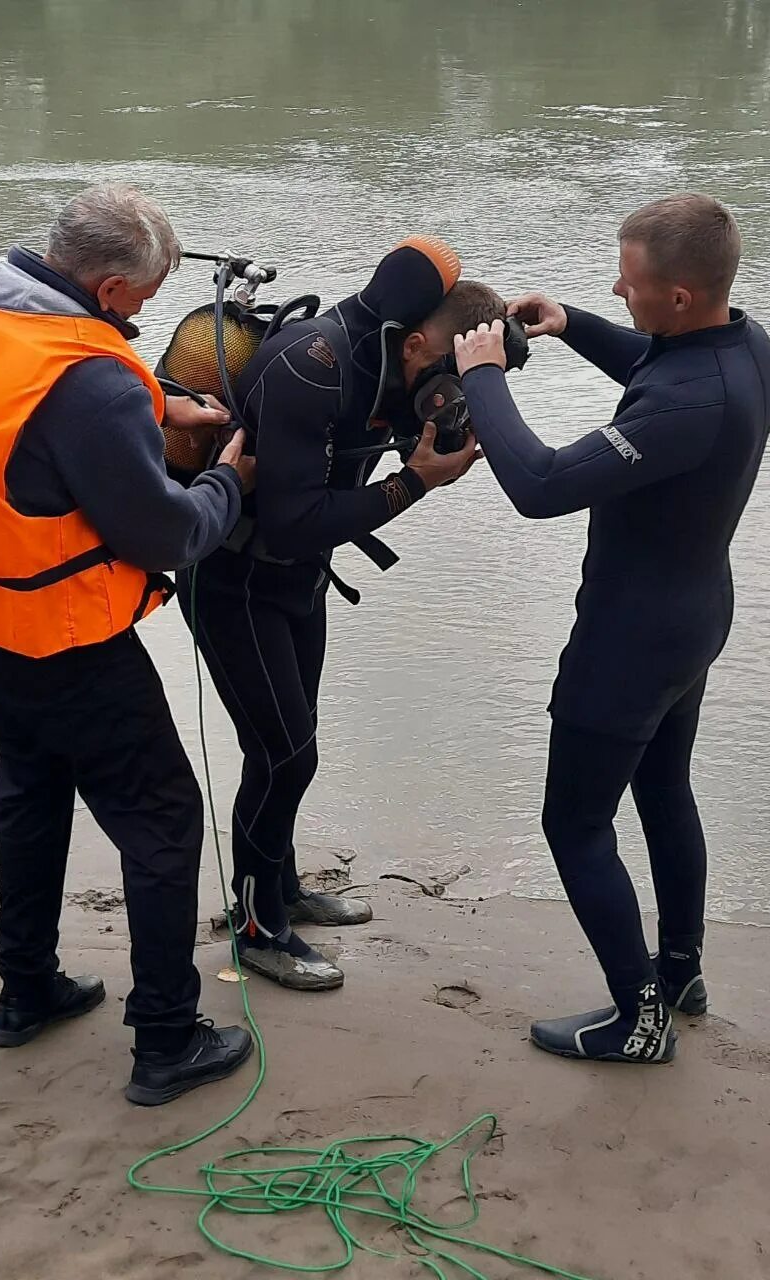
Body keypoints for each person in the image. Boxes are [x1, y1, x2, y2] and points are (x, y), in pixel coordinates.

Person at [0, 183, 258, 1106]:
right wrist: (230, 484)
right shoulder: (85, 377)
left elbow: (8, 416)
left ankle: (26, 991)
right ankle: (167, 1038)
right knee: (163, 817)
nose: (146, 312)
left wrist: (154, 409)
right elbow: (164, 534)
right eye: (147, 297)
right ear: (112, 288)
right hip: (60, 637)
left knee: (33, 780)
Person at [453, 194, 770, 1064]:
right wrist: (574, 324)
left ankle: (638, 1020)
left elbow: (542, 485)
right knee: (664, 788)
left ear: (678, 295)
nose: (616, 288)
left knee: (575, 825)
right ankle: (678, 973)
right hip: (694, 616)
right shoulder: (742, 344)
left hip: (628, 644)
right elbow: (658, 371)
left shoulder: (684, 402)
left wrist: (481, 375)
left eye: (628, 283)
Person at [176, 239, 505, 990]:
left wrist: (484, 366)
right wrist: (415, 482)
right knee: (285, 755)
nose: (441, 398)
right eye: (442, 380)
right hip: (233, 576)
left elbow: (315, 520)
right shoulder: (311, 366)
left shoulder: (396, 357)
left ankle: (281, 886)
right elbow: (293, 521)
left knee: (296, 739)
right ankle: (258, 928)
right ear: (414, 339)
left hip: (296, 579)